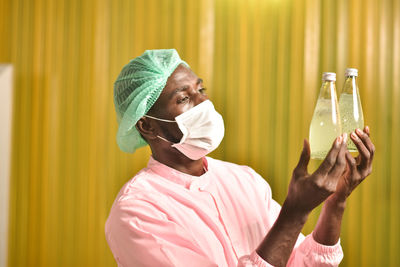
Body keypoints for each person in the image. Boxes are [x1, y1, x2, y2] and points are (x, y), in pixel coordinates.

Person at [105, 49, 375, 267]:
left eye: (201, 89)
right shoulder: (137, 212)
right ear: (147, 126)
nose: (204, 103)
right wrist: (294, 213)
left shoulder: (244, 180)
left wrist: (335, 202)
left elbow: (300, 263)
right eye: (183, 98)